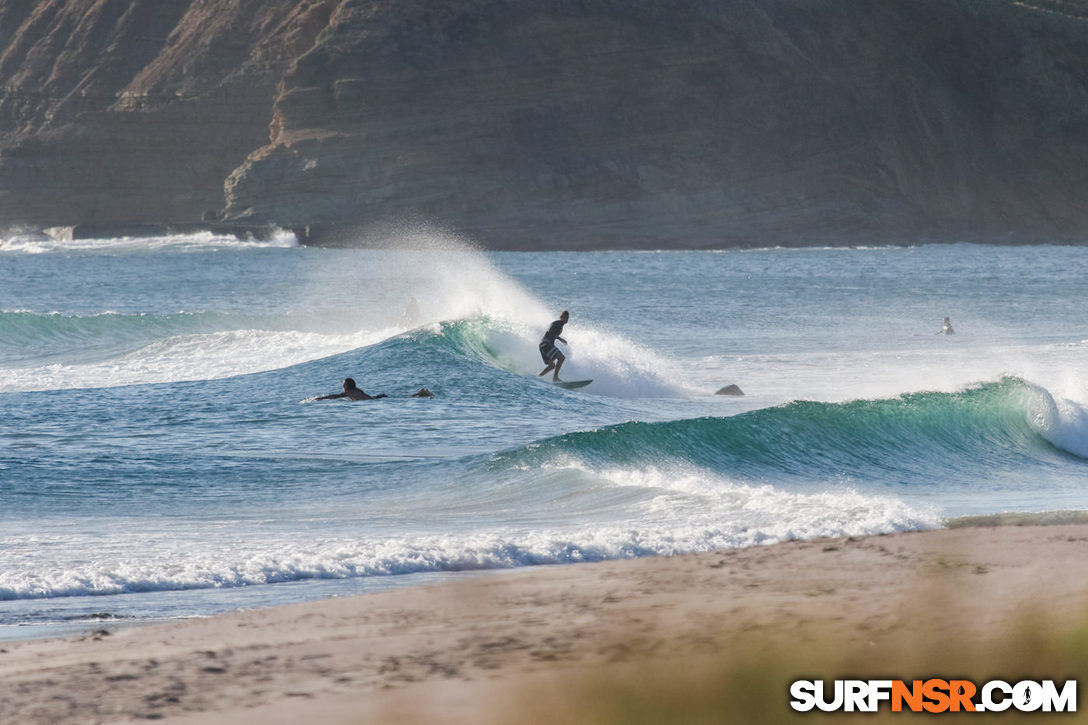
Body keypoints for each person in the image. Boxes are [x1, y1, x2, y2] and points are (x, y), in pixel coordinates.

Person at [314, 378, 435, 401]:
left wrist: (321, 398)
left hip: (375, 400)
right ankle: (420, 393)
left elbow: (336, 396)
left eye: (343, 384)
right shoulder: (356, 390)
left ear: (347, 385)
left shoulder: (349, 392)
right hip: (377, 398)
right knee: (403, 398)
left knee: (404, 399)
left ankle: (420, 393)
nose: (342, 386)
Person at [538, 310, 569, 382]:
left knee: (552, 366)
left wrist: (560, 339)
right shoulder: (557, 323)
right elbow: (550, 330)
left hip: (543, 345)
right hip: (546, 344)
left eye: (567, 318)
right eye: (565, 317)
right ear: (561, 317)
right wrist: (560, 339)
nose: (566, 319)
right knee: (561, 358)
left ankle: (538, 378)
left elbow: (553, 334)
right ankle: (555, 378)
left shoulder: (560, 325)